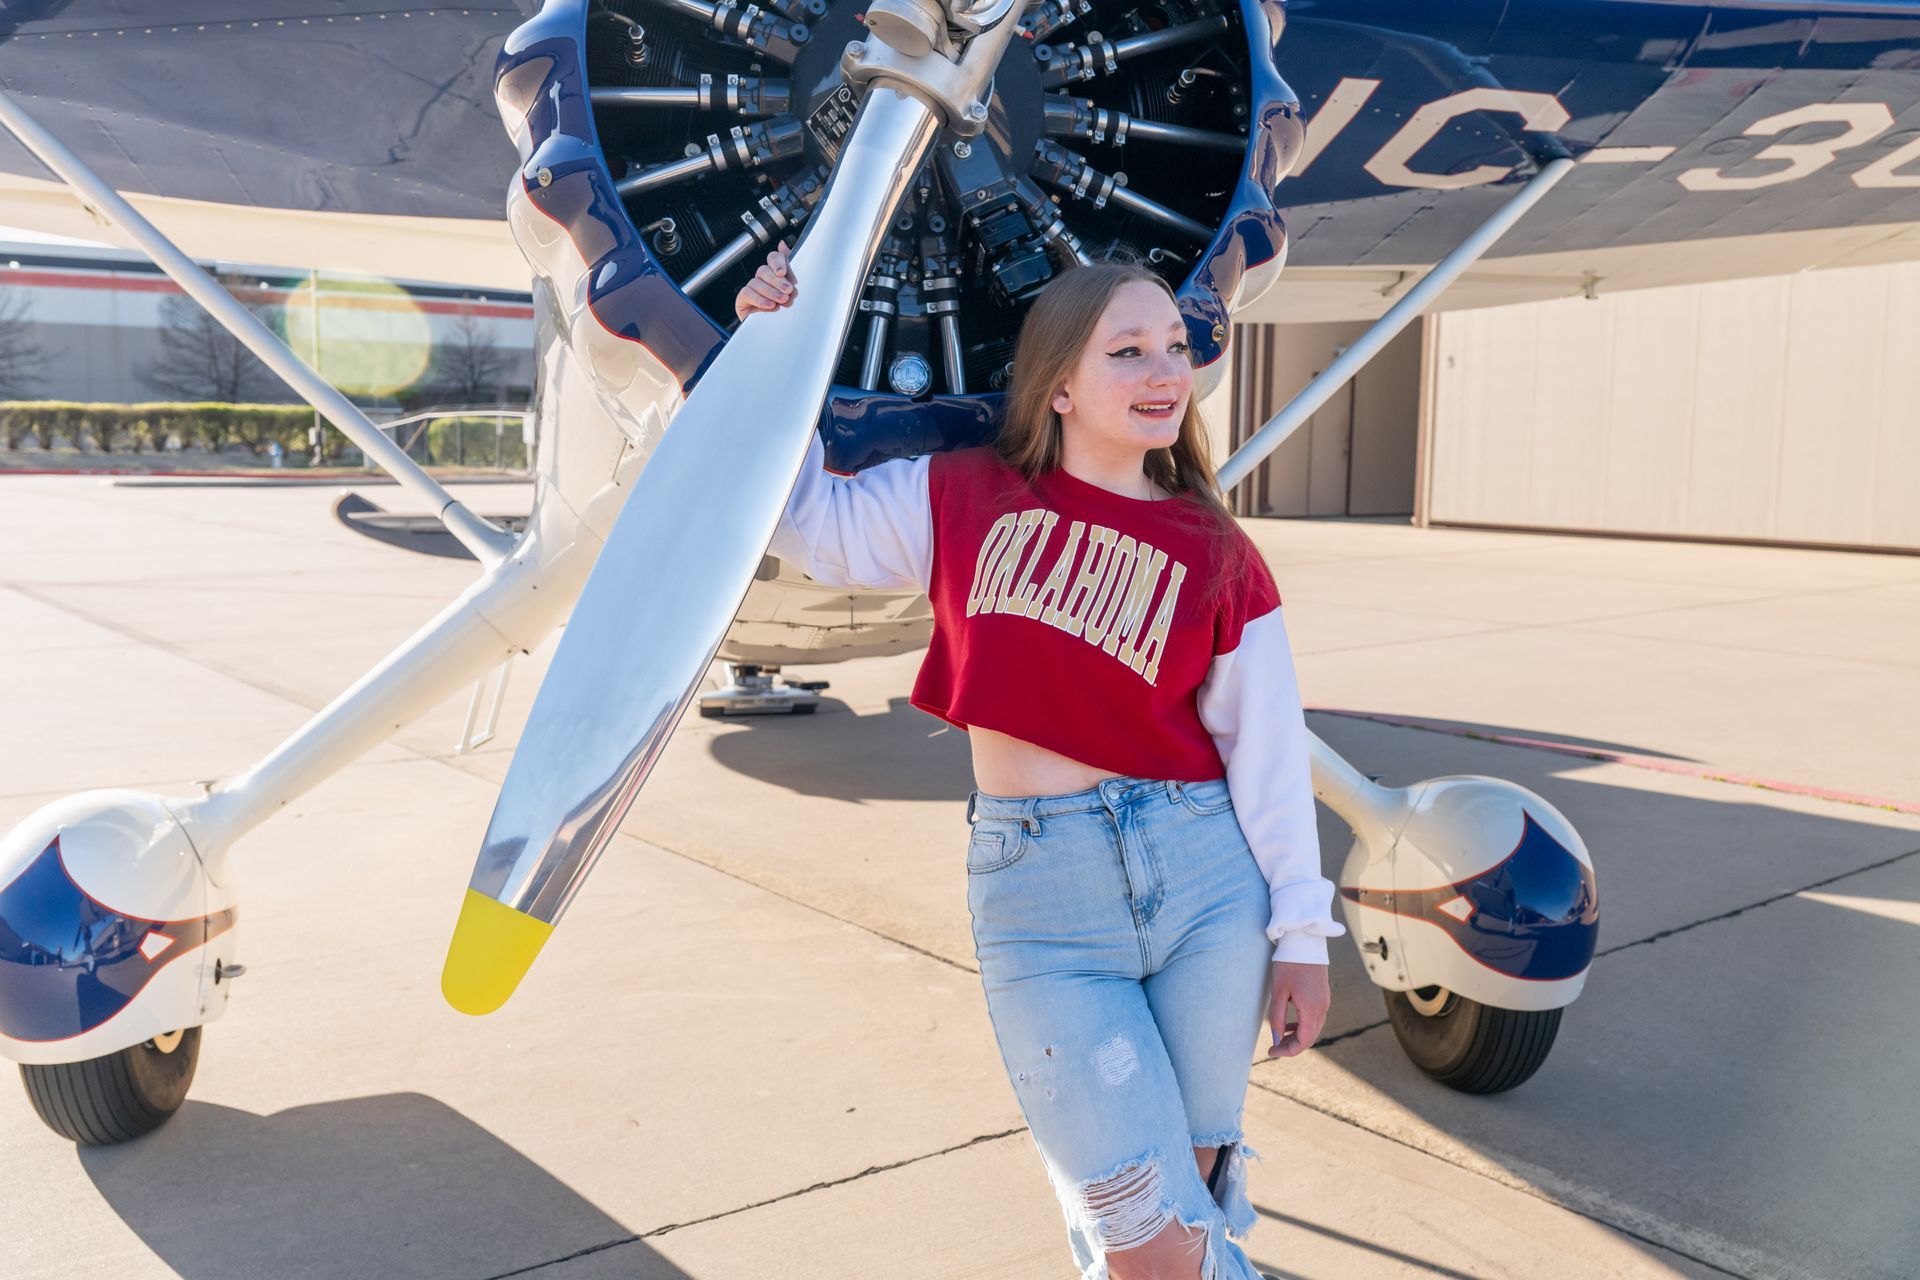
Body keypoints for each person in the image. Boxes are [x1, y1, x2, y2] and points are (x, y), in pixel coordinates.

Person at [739, 244, 1342, 1280]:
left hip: (1205, 881)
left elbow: (1270, 754)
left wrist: (1302, 933)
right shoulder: (962, 496)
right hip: (1044, 899)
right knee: (1150, 1242)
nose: (1165, 373)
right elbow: (804, 520)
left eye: (1174, 349)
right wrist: (772, 343)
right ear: (1058, 384)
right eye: (1128, 352)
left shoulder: (1217, 550)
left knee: (1185, 1207)